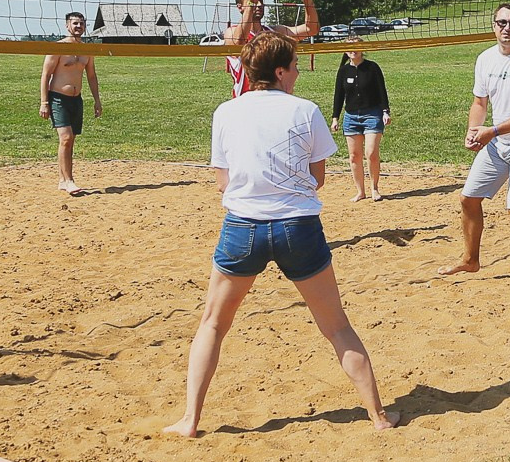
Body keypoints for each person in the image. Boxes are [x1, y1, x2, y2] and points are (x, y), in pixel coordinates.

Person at [163, 33, 396, 438]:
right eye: (294, 68)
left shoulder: (226, 112)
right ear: (280, 71)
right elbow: (318, 179)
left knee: (213, 324)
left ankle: (190, 421)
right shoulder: (305, 111)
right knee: (337, 327)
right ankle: (378, 416)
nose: (298, 77)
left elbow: (223, 182)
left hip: (243, 228)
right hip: (298, 228)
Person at [438, 3, 510, 290]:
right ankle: (470, 260)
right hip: (498, 139)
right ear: (493, 26)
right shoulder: (485, 59)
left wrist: (492, 131)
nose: (507, 28)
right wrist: (473, 131)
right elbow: (479, 102)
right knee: (468, 198)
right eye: (501, 22)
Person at [221, 0, 319, 98]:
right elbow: (240, 40)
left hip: (274, 99)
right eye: (254, 1)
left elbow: (311, 29)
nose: (259, 5)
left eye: (260, 1)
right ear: (240, 7)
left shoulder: (274, 32)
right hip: (245, 103)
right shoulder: (231, 32)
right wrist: (251, 3)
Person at [41, 11, 102, 196]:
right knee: (66, 138)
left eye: (81, 24)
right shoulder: (58, 47)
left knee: (70, 141)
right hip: (58, 98)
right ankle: (69, 181)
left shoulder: (87, 50)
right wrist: (44, 102)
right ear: (67, 26)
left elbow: (91, 76)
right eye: (75, 23)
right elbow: (46, 75)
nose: (78, 27)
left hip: (77, 99)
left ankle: (62, 179)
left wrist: (97, 100)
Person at [330, 49, 392, 201]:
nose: (353, 50)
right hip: (351, 117)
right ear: (345, 51)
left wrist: (385, 111)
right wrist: (335, 117)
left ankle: (374, 189)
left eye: (356, 47)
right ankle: (360, 192)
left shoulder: (372, 67)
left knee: (371, 153)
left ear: (363, 49)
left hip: (372, 114)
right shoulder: (344, 71)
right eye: (350, 48)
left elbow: (381, 90)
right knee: (354, 156)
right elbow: (339, 95)